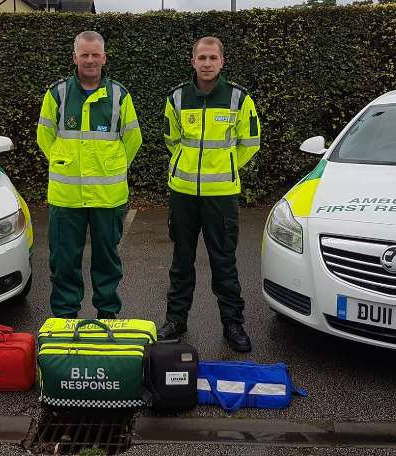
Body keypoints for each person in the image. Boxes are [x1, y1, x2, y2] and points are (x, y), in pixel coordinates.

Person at [157, 36, 261, 352]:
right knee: (181, 261)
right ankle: (176, 319)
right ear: (193, 62)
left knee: (224, 262)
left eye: (212, 58)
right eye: (201, 58)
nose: (206, 63)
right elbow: (171, 139)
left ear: (221, 62)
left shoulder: (239, 99)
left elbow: (250, 142)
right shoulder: (176, 97)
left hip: (222, 195)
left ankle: (233, 323)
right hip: (183, 193)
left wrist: (226, 167)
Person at [36, 31, 142, 319]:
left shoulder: (120, 95)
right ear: (75, 57)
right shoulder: (56, 93)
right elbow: (44, 137)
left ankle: (107, 316)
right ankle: (65, 318)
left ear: (104, 57)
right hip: (66, 197)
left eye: (95, 54)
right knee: (63, 262)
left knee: (107, 261)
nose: (90, 60)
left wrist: (112, 167)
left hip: (108, 198)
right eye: (84, 54)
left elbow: (132, 140)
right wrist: (65, 163)